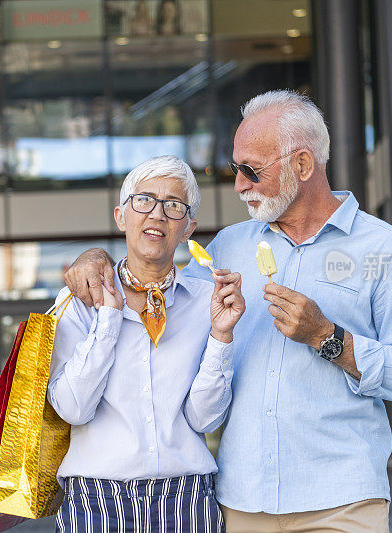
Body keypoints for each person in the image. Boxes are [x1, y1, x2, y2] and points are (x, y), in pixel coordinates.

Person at [62, 90, 392, 532]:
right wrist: (96, 260)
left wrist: (328, 338)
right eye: (235, 169)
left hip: (342, 501)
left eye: (251, 170)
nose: (239, 184)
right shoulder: (227, 247)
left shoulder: (387, 250)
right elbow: (154, 286)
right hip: (242, 503)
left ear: (302, 166)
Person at [49, 155, 246, 533]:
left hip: (188, 498)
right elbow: (73, 408)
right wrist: (108, 319)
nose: (157, 214)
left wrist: (221, 335)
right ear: (122, 216)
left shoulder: (208, 302)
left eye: (173, 206)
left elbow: (205, 419)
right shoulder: (78, 300)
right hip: (96, 500)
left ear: (188, 227)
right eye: (144, 200)